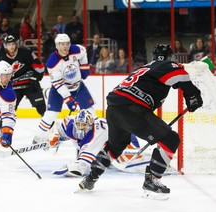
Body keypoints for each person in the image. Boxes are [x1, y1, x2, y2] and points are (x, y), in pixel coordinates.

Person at [79, 44, 203, 199]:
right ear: (169, 57)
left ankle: (91, 177)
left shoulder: (145, 68)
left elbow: (175, 79)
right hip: (132, 108)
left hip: (114, 108)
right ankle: (152, 180)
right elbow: (181, 75)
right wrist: (193, 95)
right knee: (170, 139)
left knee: (114, 146)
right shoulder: (166, 64)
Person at [32, 33, 95, 144]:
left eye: (67, 44)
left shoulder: (75, 50)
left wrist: (84, 67)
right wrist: (69, 100)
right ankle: (38, 137)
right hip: (59, 89)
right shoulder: (52, 62)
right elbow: (59, 84)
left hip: (78, 86)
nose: (65, 47)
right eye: (62, 44)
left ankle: (96, 135)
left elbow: (83, 52)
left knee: (90, 112)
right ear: (57, 46)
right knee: (51, 114)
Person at [52, 109, 140, 177]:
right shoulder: (70, 125)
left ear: (90, 125)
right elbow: (60, 128)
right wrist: (56, 137)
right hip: (109, 137)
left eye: (84, 125)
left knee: (122, 160)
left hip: (123, 136)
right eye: (78, 124)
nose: (80, 127)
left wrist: (72, 167)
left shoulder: (95, 133)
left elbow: (83, 164)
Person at [0, 35, 46, 116]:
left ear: (16, 44)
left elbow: (40, 67)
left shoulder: (26, 52)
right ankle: (2, 128)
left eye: (13, 44)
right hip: (13, 87)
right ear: (5, 46)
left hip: (30, 85)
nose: (11, 46)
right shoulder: (1, 58)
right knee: (9, 110)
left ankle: (50, 127)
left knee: (42, 108)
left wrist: (36, 78)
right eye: (9, 44)